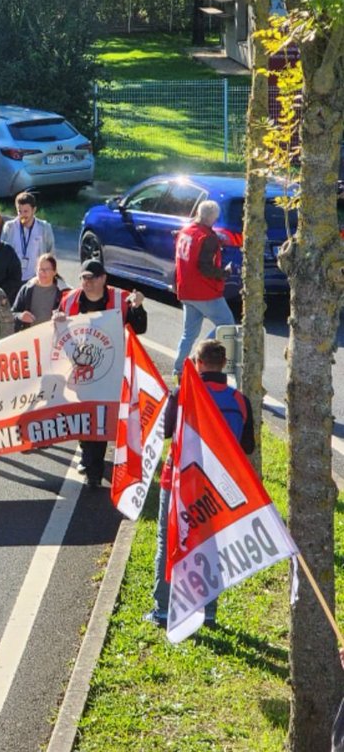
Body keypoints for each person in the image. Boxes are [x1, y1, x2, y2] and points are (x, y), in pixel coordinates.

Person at [145, 339, 255, 629]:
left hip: (180, 481)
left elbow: (165, 432)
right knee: (210, 546)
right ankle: (207, 612)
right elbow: (248, 446)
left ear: (197, 363)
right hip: (218, 488)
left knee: (169, 543)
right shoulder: (240, 401)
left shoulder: (182, 395)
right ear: (223, 365)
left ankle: (164, 610)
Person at [56, 258, 147, 488]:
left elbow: (140, 328)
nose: (87, 283)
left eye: (92, 278)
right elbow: (58, 330)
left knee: (101, 417)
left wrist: (138, 307)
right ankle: (90, 462)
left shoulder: (121, 299)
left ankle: (94, 466)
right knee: (85, 416)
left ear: (103, 278)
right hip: (80, 370)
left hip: (111, 370)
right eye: (84, 278)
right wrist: (56, 320)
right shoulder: (69, 300)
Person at [173, 199, 236, 376]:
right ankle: (196, 358)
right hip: (205, 291)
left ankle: (178, 370)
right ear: (211, 218)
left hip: (186, 288)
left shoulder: (186, 230)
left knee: (189, 333)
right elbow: (205, 267)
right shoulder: (207, 237)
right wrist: (225, 273)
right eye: (215, 218)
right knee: (227, 325)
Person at [1, 192, 55, 284]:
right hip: (13, 279)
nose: (22, 215)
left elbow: (51, 253)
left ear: (34, 210)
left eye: (26, 211)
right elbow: (2, 253)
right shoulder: (9, 227)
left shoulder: (44, 228)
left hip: (36, 279)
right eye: (19, 211)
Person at [13, 253, 67, 328]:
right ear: (36, 270)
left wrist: (62, 317)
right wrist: (21, 316)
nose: (43, 272)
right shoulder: (26, 290)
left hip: (54, 336)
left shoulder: (63, 292)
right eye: (40, 269)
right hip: (29, 336)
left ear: (54, 272)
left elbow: (72, 316)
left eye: (47, 269)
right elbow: (12, 313)